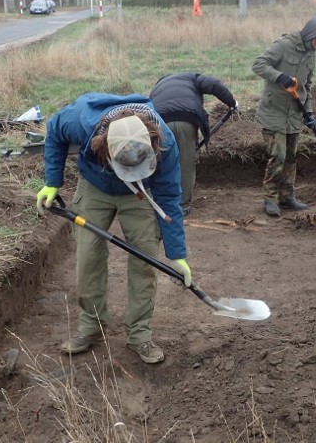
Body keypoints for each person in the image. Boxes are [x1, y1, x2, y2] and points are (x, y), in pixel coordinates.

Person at [35, 93, 192, 364]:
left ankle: (139, 334)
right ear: (103, 146)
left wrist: (177, 254)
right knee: (88, 258)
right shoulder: (80, 120)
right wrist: (52, 181)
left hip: (142, 194)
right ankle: (91, 327)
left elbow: (169, 198)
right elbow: (54, 132)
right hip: (95, 187)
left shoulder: (165, 141)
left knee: (145, 259)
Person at [251, 15, 316, 217]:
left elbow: (307, 86)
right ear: (309, 35)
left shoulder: (311, 54)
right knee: (278, 156)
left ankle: (287, 197)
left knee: (291, 158)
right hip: (274, 112)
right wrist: (280, 77)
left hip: (294, 113)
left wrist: (309, 111)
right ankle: (270, 199)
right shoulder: (284, 45)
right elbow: (258, 64)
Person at [149, 72, 238, 216]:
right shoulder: (193, 77)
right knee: (186, 163)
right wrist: (232, 103)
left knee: (162, 161)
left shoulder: (158, 86)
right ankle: (182, 206)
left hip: (159, 121)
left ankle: (159, 201)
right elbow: (214, 85)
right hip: (186, 117)